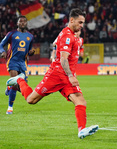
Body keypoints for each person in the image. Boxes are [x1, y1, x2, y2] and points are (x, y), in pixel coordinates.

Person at [6, 8, 98, 139]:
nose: (82, 26)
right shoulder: (67, 36)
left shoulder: (72, 35)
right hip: (57, 75)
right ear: (71, 20)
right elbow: (64, 59)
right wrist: (71, 75)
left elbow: (55, 44)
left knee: (80, 101)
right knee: (31, 100)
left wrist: (55, 53)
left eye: (83, 23)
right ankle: (20, 80)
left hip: (66, 76)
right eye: (80, 22)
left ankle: (82, 130)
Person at [0, 15, 35, 114]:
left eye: (24, 21)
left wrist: (31, 52)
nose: (22, 23)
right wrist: (2, 51)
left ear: (26, 23)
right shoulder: (11, 34)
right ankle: (10, 108)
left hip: (23, 63)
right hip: (13, 61)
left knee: (23, 86)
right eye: (21, 21)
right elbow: (1, 45)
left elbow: (30, 50)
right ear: (17, 23)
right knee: (16, 84)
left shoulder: (30, 36)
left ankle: (8, 86)